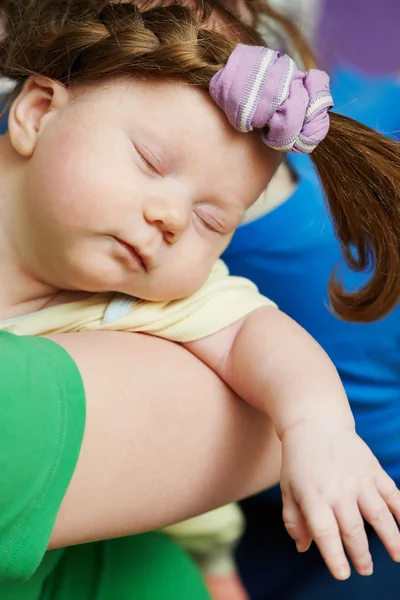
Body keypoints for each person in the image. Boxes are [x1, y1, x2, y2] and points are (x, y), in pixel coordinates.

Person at [1, 0, 400, 598]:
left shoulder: (137, 297)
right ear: (37, 111)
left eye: (212, 221)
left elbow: (254, 334)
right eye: (150, 162)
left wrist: (318, 424)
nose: (171, 218)